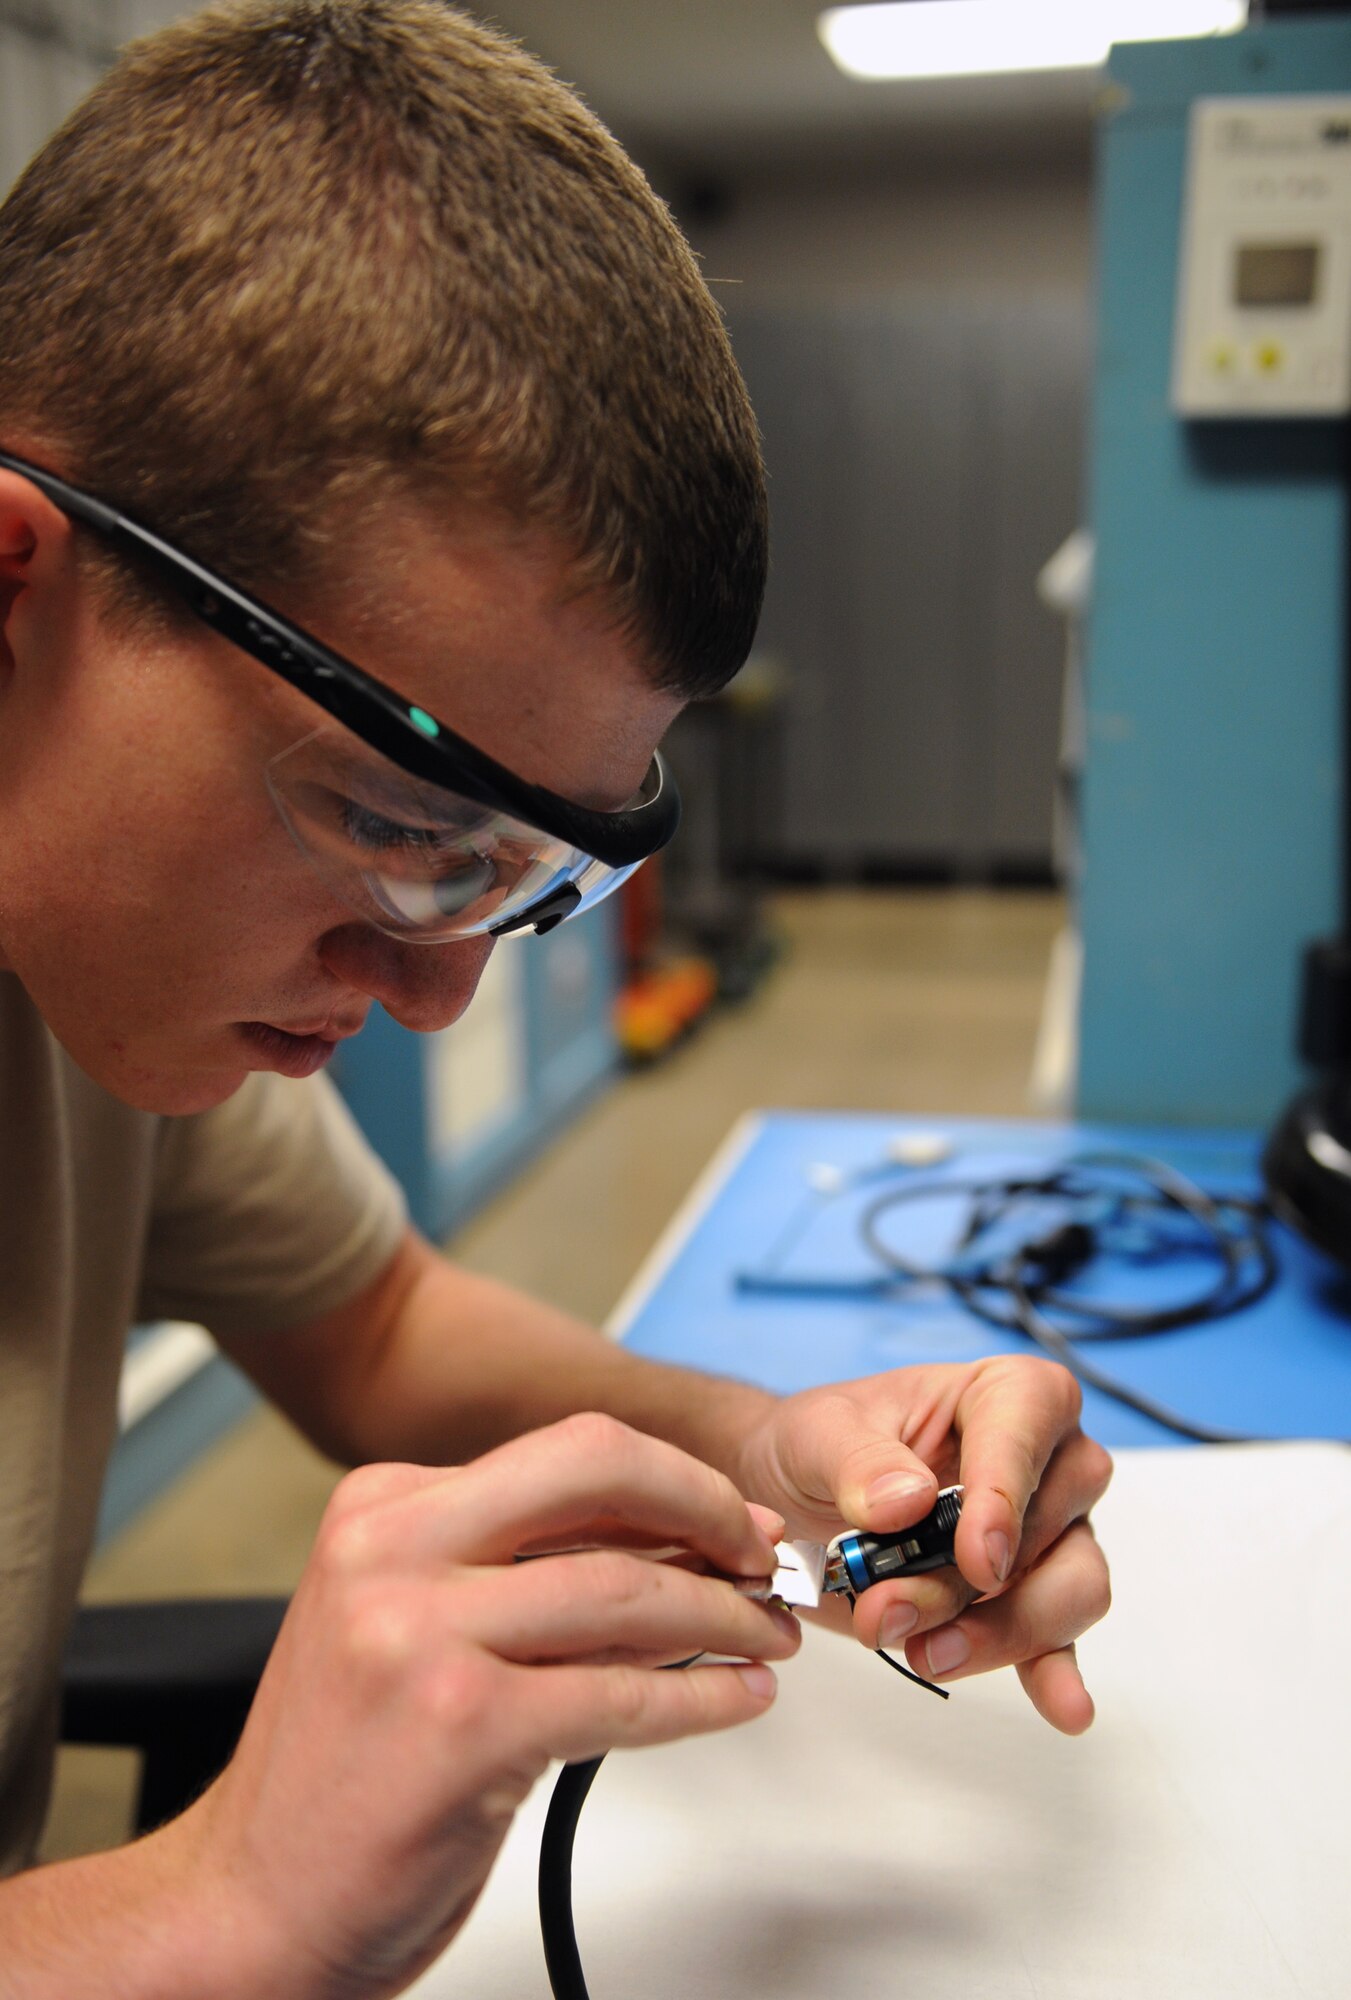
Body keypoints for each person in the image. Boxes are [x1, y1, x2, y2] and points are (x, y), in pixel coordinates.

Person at [0, 1, 1113, 1990]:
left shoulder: (86, 991)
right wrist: (217, 1901)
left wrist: (778, 1446)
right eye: (385, 820)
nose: (433, 998)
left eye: (515, 875)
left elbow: (378, 1321)